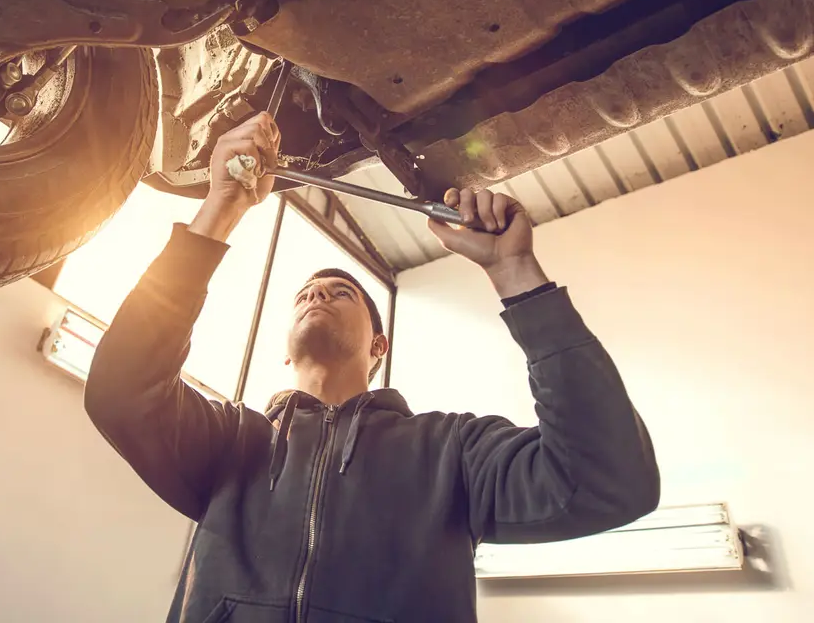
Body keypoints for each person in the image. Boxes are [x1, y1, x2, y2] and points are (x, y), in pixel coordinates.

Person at [85, 112, 660, 623]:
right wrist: (221, 208)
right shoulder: (230, 442)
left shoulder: (452, 450)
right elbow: (121, 386)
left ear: (378, 346)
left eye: (341, 293)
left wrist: (516, 274)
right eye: (305, 294)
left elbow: (610, 482)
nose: (317, 295)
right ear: (285, 349)